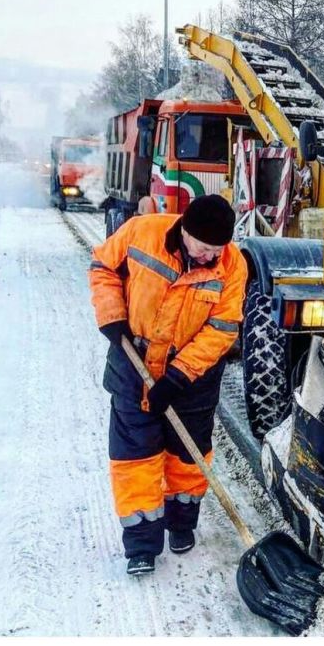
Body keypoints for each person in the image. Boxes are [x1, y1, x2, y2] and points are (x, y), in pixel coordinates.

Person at [88, 194, 247, 576]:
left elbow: (223, 328)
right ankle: (141, 544)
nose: (211, 256)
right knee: (135, 455)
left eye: (217, 249)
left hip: (193, 376)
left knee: (187, 457)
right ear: (185, 232)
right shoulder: (143, 232)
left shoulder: (232, 264)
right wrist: (112, 315)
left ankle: (181, 523)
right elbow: (102, 266)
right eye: (204, 248)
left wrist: (178, 376)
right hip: (133, 361)